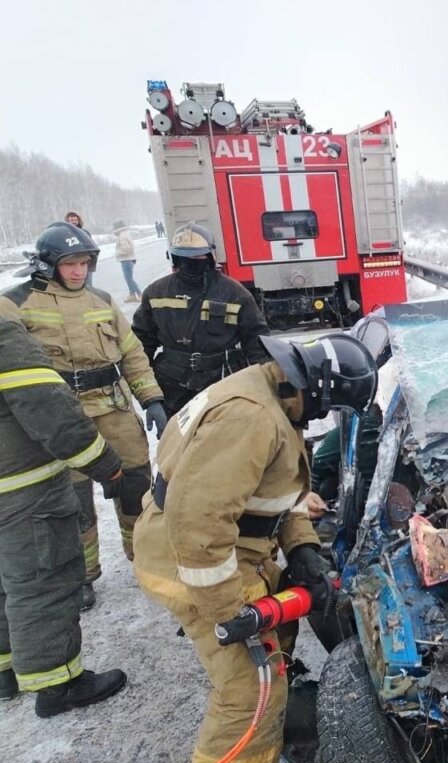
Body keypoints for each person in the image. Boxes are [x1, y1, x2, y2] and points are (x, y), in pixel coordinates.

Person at [132, 332, 378, 763]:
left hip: (223, 546)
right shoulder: (251, 420)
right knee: (250, 689)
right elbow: (199, 525)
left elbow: (272, 490)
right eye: (332, 407)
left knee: (272, 646)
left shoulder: (270, 390)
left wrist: (301, 547)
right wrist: (229, 612)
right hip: (189, 560)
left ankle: (271, 737)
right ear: (319, 389)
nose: (325, 418)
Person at [0, 222, 168, 610]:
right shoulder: (17, 303)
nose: (78, 271)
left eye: (84, 263)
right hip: (65, 416)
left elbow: (133, 355)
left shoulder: (103, 301)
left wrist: (152, 398)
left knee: (137, 487)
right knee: (75, 502)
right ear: (46, 265)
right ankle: (83, 576)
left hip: (114, 410)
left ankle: (143, 557)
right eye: (69, 264)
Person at [0, 316, 132, 717]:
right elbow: (53, 414)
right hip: (23, 490)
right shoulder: (4, 338)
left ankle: (5, 674)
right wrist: (107, 466)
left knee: (6, 582)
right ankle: (58, 685)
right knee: (42, 581)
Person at [132, 221, 270, 417]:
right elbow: (139, 346)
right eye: (184, 257)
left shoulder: (234, 293)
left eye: (198, 256)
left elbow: (257, 341)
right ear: (175, 258)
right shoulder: (156, 293)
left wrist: (265, 385)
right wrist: (150, 398)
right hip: (172, 387)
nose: (192, 262)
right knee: (180, 445)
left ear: (211, 256)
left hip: (224, 382)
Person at [113, 221, 142, 303]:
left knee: (129, 279)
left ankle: (139, 294)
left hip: (126, 259)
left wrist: (117, 253)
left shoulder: (122, 236)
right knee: (129, 278)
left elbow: (127, 249)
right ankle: (132, 295)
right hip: (128, 259)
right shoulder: (125, 234)